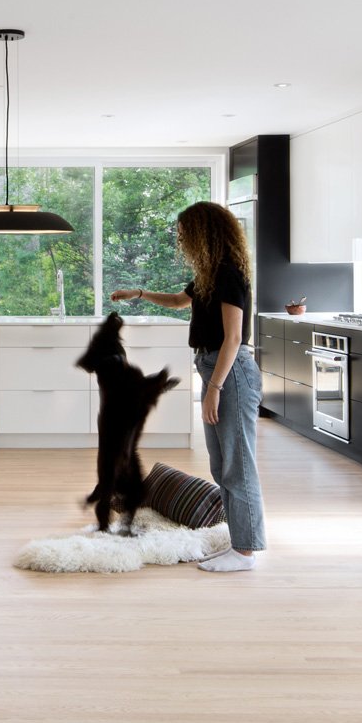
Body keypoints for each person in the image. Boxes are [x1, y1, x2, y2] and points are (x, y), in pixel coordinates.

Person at [110, 201, 266, 572]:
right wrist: (140, 293)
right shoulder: (211, 273)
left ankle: (245, 552)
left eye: (185, 234)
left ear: (204, 233)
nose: (181, 241)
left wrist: (214, 388)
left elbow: (233, 338)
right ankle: (238, 543)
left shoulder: (228, 272)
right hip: (216, 369)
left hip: (230, 373)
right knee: (222, 465)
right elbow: (180, 301)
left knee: (238, 466)